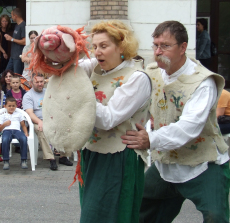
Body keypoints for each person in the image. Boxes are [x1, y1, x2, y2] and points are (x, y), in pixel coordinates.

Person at [121, 20, 229, 223]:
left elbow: (189, 127)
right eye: (156, 45)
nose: (158, 51)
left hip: (203, 163)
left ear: (183, 47)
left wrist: (150, 140)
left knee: (216, 217)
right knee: (139, 210)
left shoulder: (203, 82)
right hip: (166, 163)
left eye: (165, 46)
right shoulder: (151, 73)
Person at [72, 20, 151, 222]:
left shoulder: (137, 78)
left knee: (108, 217)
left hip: (119, 158)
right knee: (93, 214)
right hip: (91, 153)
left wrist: (81, 92)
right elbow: (66, 69)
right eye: (95, 46)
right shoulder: (95, 67)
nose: (97, 52)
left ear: (122, 47)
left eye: (104, 46)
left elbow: (109, 119)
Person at [23, 74, 73, 171]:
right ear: (31, 83)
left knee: (65, 126)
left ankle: (63, 156)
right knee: (41, 130)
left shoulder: (48, 92)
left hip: (51, 120)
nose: (40, 84)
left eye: (41, 81)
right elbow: (29, 113)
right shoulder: (28, 96)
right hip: (36, 121)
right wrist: (39, 121)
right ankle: (51, 158)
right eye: (37, 82)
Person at [0, 97, 29, 170]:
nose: (11, 107)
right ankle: (6, 161)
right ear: (5, 106)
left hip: (17, 131)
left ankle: (23, 160)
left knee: (24, 139)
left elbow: (23, 125)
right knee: (5, 139)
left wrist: (26, 133)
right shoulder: (3, 115)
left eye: (13, 106)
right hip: (7, 131)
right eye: (9, 106)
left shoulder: (18, 114)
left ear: (16, 106)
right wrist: (5, 124)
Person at [4, 8, 26, 74]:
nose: (11, 17)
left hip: (18, 56)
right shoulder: (17, 25)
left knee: (17, 75)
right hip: (13, 56)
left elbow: (24, 41)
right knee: (6, 74)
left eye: (12, 15)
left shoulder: (23, 25)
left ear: (15, 16)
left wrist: (12, 39)